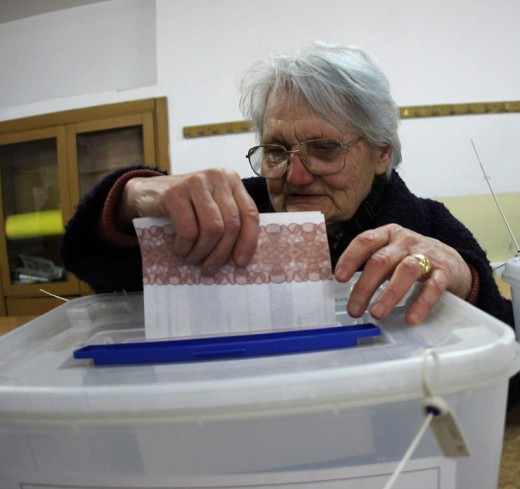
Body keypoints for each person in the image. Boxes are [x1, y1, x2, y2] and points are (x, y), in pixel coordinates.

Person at [61, 41, 517, 407]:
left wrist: (467, 283)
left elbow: (510, 379)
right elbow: (99, 271)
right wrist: (130, 197)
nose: (295, 176)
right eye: (276, 151)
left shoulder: (430, 226)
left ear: (382, 153)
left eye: (325, 149)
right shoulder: (230, 211)